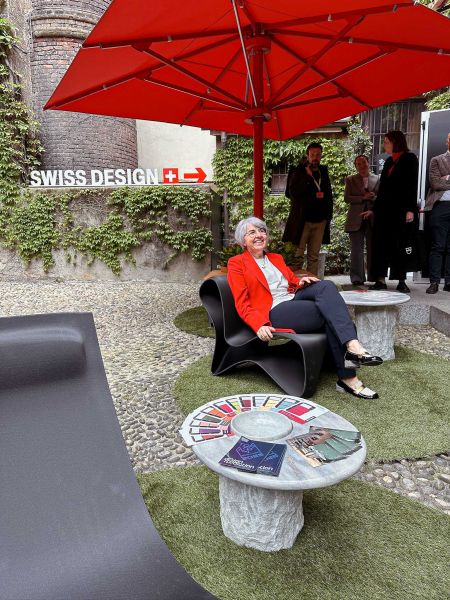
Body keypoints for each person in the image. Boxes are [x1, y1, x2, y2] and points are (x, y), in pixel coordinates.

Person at [228, 216, 383, 400]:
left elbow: (289, 280)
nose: (259, 235)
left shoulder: (275, 258)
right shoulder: (237, 263)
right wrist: (259, 324)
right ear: (243, 241)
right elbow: (241, 302)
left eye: (262, 231)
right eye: (252, 233)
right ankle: (349, 376)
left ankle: (352, 346)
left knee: (326, 286)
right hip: (274, 310)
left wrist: (300, 281)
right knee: (328, 314)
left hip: (293, 298)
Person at [369, 130, 419, 293]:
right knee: (380, 244)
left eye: (386, 141)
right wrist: (374, 210)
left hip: (400, 210)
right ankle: (380, 279)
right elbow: (382, 188)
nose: (384, 144)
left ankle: (401, 280)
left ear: (395, 142)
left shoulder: (409, 158)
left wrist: (410, 209)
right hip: (384, 210)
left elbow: (411, 185)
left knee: (400, 244)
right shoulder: (389, 161)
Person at [282, 142, 333, 275]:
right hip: (302, 221)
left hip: (320, 221)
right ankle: (296, 283)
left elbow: (328, 195)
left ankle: (313, 284)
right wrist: (308, 177)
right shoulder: (298, 171)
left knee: (314, 257)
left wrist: (328, 217)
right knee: (297, 256)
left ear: (321, 156)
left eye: (318, 155)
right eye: (312, 155)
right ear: (307, 155)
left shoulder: (323, 171)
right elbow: (292, 193)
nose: (315, 157)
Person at [344, 155, 380, 286]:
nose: (361, 166)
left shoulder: (378, 178)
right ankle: (357, 278)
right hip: (355, 218)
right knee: (356, 250)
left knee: (373, 248)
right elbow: (347, 198)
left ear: (368, 163)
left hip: (372, 217)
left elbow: (382, 198)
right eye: (358, 164)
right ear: (355, 166)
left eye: (363, 162)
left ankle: (374, 276)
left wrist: (373, 197)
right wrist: (363, 197)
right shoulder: (350, 179)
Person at [423, 132, 450, 294]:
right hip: (440, 207)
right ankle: (434, 282)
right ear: (447, 141)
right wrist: (442, 180)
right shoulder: (437, 160)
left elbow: (441, 182)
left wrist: (446, 178)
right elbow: (435, 183)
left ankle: (449, 282)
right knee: (438, 246)